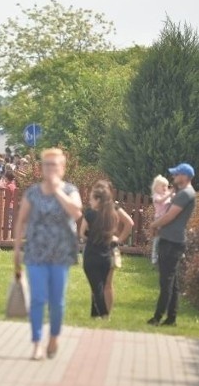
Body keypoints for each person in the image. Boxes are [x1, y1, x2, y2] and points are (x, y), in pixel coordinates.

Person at [13, 148, 83, 360]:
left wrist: (57, 191)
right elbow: (21, 221)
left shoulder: (70, 190)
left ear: (62, 168)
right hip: (36, 252)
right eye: (47, 165)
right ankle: (36, 343)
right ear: (42, 168)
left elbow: (76, 212)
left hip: (60, 254)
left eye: (54, 165)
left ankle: (53, 337)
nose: (50, 168)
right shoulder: (33, 192)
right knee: (37, 299)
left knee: (57, 301)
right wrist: (16, 249)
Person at [148, 163, 197, 327]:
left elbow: (170, 216)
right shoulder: (182, 192)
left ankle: (158, 317)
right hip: (171, 239)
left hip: (171, 242)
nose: (174, 177)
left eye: (176, 175)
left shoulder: (186, 194)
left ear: (184, 176)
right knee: (173, 282)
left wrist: (154, 225)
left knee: (166, 281)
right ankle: (171, 318)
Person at [79, 180, 134, 319]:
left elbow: (82, 233)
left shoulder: (101, 210)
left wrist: (119, 239)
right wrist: (119, 239)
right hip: (108, 250)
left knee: (100, 284)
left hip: (97, 250)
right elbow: (129, 223)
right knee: (106, 284)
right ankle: (102, 314)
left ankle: (102, 314)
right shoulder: (113, 208)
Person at [150, 175, 173, 266]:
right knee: (158, 239)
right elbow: (161, 201)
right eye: (162, 186)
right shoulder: (156, 196)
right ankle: (154, 258)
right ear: (156, 188)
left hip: (167, 220)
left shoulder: (166, 195)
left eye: (166, 186)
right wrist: (170, 194)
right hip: (159, 220)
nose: (165, 188)